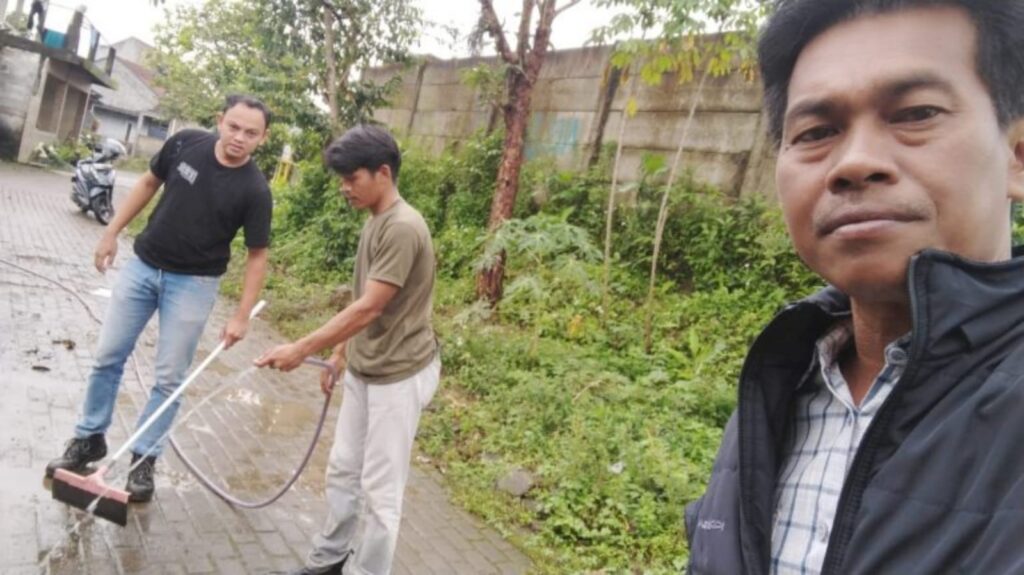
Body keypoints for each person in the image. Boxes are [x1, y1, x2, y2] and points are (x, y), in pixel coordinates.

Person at [685, 1, 1024, 573]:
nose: (855, 162)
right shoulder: (783, 378)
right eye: (816, 132)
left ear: (1016, 155)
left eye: (915, 113)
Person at [45, 94, 274, 504]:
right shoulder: (185, 143)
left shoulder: (255, 189)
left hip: (195, 284)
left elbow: (258, 255)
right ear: (220, 120)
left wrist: (242, 315)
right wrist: (111, 232)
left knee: (170, 379)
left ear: (263, 138)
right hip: (143, 267)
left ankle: (143, 459)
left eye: (251, 133)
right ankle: (88, 438)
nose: (239, 138)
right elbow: (148, 184)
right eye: (234, 127)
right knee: (107, 357)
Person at [257, 125, 440, 575]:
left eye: (352, 178)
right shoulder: (376, 220)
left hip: (399, 373)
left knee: (380, 491)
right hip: (365, 365)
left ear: (383, 173)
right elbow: (364, 301)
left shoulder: (403, 227)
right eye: (341, 179)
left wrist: (301, 348)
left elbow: (370, 307)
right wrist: (340, 354)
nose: (344, 188)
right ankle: (330, 558)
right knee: (342, 468)